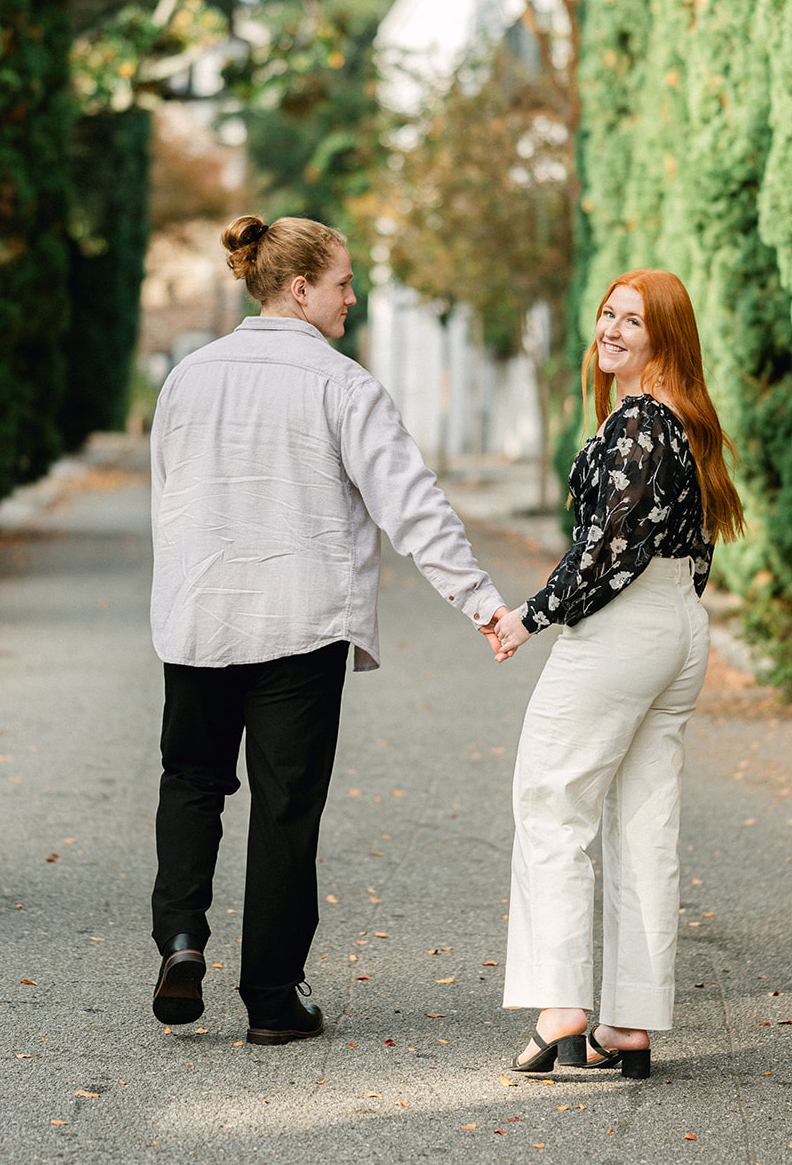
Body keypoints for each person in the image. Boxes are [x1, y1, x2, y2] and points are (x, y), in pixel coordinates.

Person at [148, 215, 508, 1045]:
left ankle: (180, 939)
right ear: (301, 288)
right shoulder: (341, 384)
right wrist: (483, 602)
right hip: (297, 627)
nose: (354, 297)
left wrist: (176, 600)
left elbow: (168, 503)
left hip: (198, 620)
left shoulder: (188, 379)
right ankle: (272, 1001)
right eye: (344, 283)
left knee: (192, 782)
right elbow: (412, 506)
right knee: (284, 810)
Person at [492, 269, 744, 1079]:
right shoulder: (687, 422)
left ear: (665, 337)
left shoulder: (638, 418)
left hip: (630, 625)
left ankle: (561, 1007)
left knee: (551, 801)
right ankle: (629, 1024)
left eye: (632, 321)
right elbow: (691, 550)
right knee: (642, 823)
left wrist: (528, 616)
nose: (610, 329)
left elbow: (611, 545)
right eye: (607, 313)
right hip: (678, 626)